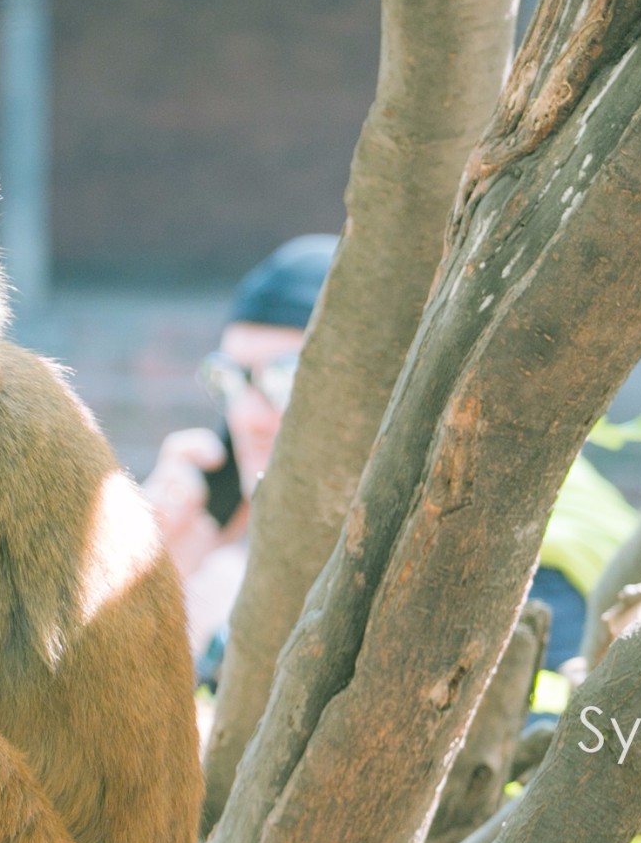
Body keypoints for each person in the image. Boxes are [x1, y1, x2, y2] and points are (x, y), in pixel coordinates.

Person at [144, 235, 597, 691]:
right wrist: (153, 579)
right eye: (231, 378)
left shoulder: (501, 523)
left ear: (383, 389)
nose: (246, 418)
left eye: (286, 378)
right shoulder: (218, 549)